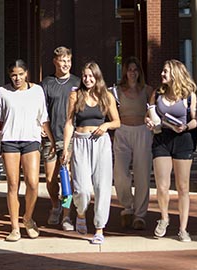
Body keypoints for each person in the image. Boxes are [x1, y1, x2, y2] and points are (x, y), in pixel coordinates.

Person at [0, 59, 55, 242]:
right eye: (13, 75)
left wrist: (51, 140)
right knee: (13, 184)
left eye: (20, 74)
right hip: (10, 141)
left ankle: (27, 218)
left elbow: (44, 117)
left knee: (33, 183)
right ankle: (15, 228)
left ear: (26, 73)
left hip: (31, 140)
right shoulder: (2, 92)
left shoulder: (37, 91)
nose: (17, 78)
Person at [62, 61, 120, 244]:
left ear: (97, 77)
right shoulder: (75, 95)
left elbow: (117, 121)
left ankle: (99, 228)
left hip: (101, 143)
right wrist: (66, 148)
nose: (87, 79)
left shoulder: (106, 96)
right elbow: (69, 123)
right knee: (82, 189)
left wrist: (106, 125)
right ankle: (80, 212)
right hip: (80, 142)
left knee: (102, 187)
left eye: (91, 76)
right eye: (85, 76)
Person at [145, 59, 197, 242]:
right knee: (162, 185)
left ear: (175, 73)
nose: (162, 74)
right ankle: (164, 218)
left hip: (183, 139)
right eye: (162, 71)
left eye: (165, 71)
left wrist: (185, 127)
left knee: (183, 187)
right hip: (161, 139)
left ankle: (183, 229)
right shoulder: (157, 94)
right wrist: (149, 122)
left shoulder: (188, 95)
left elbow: (195, 120)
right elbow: (149, 115)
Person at [40, 46, 81, 231]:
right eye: (62, 60)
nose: (66, 64)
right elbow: (40, 110)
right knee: (50, 179)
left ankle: (66, 216)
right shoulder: (46, 84)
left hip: (69, 138)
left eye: (68, 61)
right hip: (50, 136)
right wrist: (39, 126)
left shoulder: (77, 83)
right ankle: (55, 205)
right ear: (55, 61)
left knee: (67, 177)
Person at [113, 56, 153, 230]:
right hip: (122, 131)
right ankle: (127, 206)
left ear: (139, 72)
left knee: (142, 173)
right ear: (125, 72)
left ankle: (140, 214)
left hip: (142, 132)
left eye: (135, 70)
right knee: (120, 172)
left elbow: (154, 110)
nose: (132, 73)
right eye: (129, 69)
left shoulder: (147, 90)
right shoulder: (116, 91)